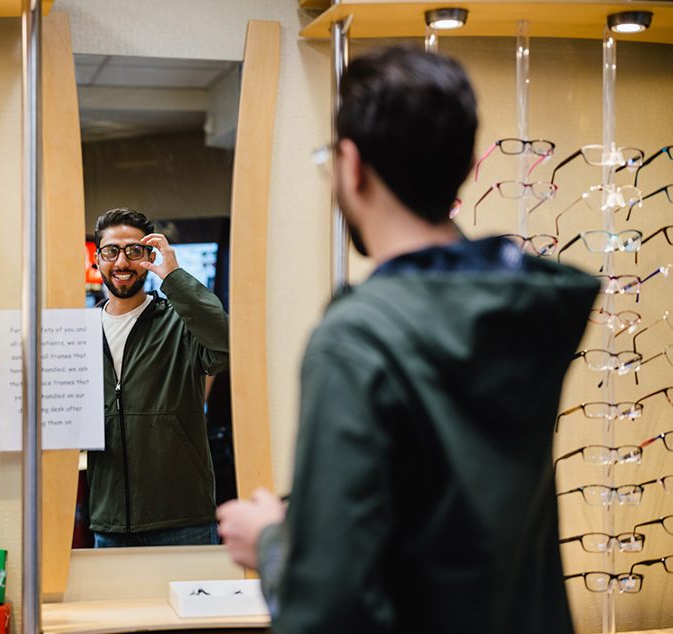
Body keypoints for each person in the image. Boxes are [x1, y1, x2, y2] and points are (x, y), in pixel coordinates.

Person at [216, 44, 599, 633]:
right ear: (465, 167)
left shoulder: (358, 339)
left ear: (350, 164)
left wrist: (270, 543)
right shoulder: (525, 314)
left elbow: (332, 610)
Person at [86, 207, 229, 547]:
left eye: (134, 251)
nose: (122, 262)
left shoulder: (180, 322)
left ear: (150, 255)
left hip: (183, 518)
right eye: (111, 251)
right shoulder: (80, 332)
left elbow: (226, 346)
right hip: (110, 522)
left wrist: (174, 277)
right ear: (98, 258)